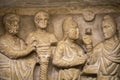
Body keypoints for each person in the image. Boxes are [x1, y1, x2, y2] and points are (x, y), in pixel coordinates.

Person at [0, 13, 36, 80]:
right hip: (8, 70)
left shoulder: (19, 40)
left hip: (18, 68)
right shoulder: (2, 40)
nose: (17, 27)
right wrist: (27, 50)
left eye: (17, 25)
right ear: (7, 26)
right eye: (14, 25)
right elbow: (12, 54)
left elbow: (27, 50)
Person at [86, 15, 120, 80]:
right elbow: (90, 61)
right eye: (102, 28)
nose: (104, 31)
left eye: (106, 27)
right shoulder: (100, 47)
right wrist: (89, 45)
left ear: (113, 27)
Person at [26, 11, 58, 80]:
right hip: (36, 68)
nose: (43, 21)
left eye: (45, 19)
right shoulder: (31, 36)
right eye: (41, 19)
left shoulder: (51, 36)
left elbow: (55, 50)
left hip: (49, 66)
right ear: (36, 22)